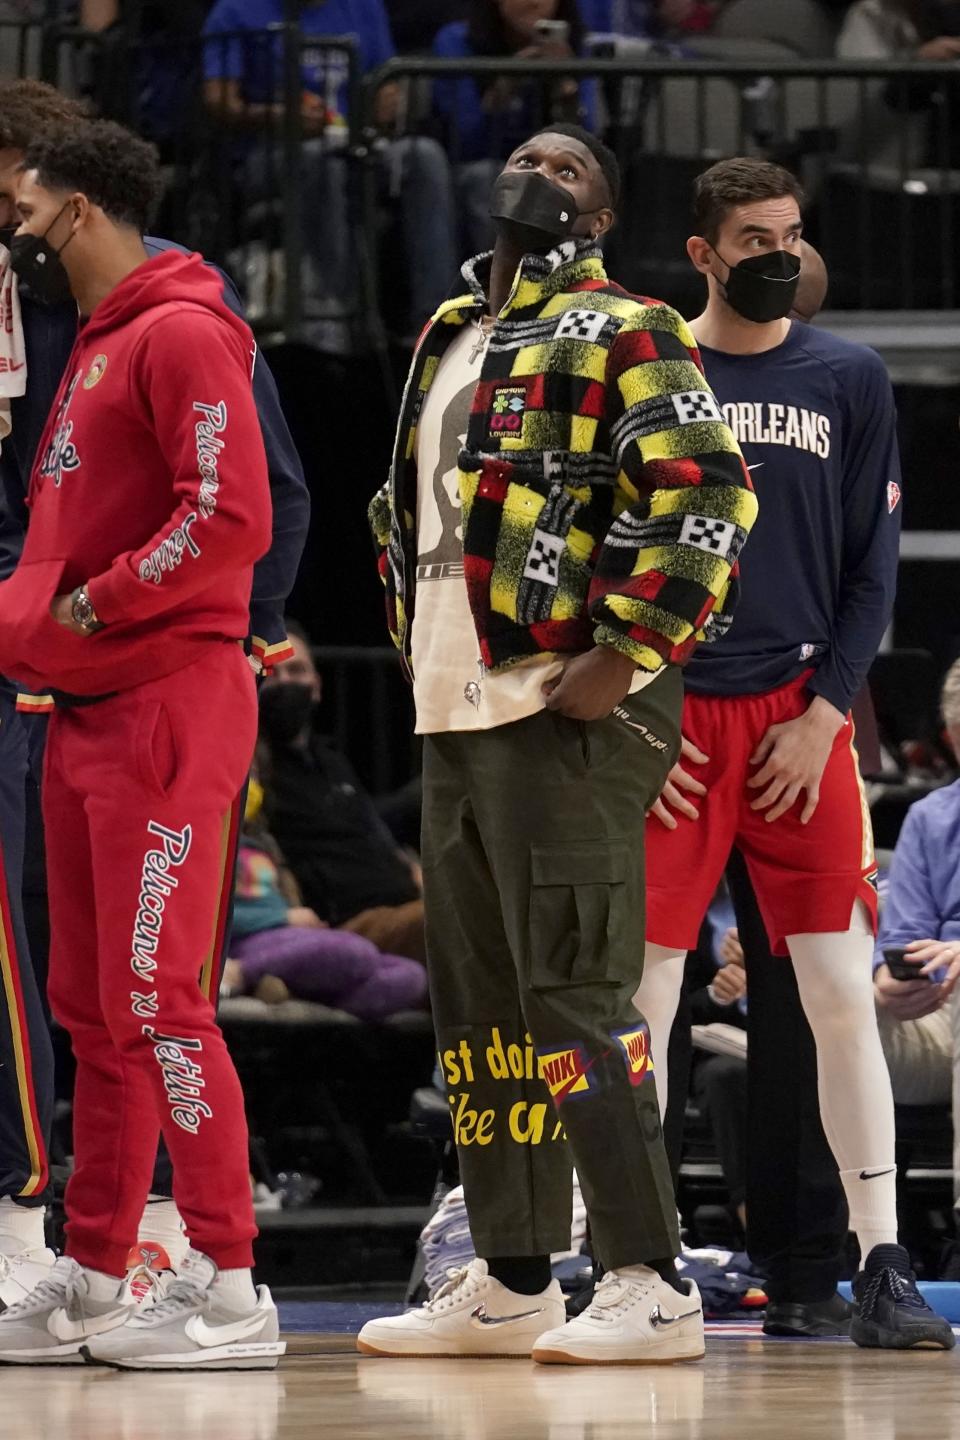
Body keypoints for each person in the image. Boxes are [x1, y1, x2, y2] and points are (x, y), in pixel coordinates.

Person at [357, 121, 757, 1364]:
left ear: (600, 214)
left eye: (573, 165)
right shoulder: (448, 330)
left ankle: (649, 1274)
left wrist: (626, 651)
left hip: (562, 702)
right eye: (527, 152)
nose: (540, 169)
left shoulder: (629, 323)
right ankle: (513, 1271)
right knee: (479, 1008)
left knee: (580, 998)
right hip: (452, 699)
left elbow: (710, 489)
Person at [0, 77, 310, 1312]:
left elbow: (234, 513)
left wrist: (101, 604)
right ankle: (90, 1264)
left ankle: (230, 1278)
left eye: (19, 205)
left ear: (75, 212)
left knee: (159, 1002)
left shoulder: (183, 329)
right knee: (90, 1005)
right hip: (81, 710)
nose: (8, 226)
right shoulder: (98, 341)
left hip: (168, 704)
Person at [634, 155, 953, 1350]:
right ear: (702, 253)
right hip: (673, 722)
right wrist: (635, 715)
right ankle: (638, 1261)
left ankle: (879, 1265)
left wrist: (827, 714)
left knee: (834, 996)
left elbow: (876, 571)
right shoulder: (650, 367)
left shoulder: (849, 375)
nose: (780, 250)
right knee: (647, 998)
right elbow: (619, 553)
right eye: (754, 235)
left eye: (793, 231)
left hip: (798, 720)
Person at [202, 0, 458, 348]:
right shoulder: (235, 10)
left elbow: (387, 79)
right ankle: (329, 316)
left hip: (356, 144)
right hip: (269, 154)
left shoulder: (363, 7)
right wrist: (279, 114)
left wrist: (387, 101)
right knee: (322, 159)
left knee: (424, 157)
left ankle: (436, 322)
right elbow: (218, 101)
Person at [259, 624, 427, 960]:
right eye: (272, 672)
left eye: (297, 670)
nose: (286, 682)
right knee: (453, 921)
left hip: (406, 908)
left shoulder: (332, 762)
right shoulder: (252, 769)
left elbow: (381, 838)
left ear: (317, 686)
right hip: (348, 925)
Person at [872, 657, 960, 1234]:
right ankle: (844, 1245)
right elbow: (897, 947)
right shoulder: (930, 819)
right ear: (954, 737)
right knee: (836, 1013)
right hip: (935, 1015)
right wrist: (885, 988)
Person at [222, 780, 429, 1019]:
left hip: (288, 937)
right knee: (356, 951)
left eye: (256, 772)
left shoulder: (263, 844)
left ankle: (293, 993)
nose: (251, 781)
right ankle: (239, 973)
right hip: (245, 941)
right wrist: (281, 917)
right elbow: (203, 919)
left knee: (410, 976)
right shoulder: (204, 838)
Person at [432, 0, 597, 253]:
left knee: (587, 191)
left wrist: (565, 86)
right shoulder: (458, 41)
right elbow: (465, 140)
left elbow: (589, 143)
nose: (534, 3)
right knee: (490, 179)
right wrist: (507, 83)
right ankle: (495, 288)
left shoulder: (574, 46)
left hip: (553, 170)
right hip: (482, 166)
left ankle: (575, 289)